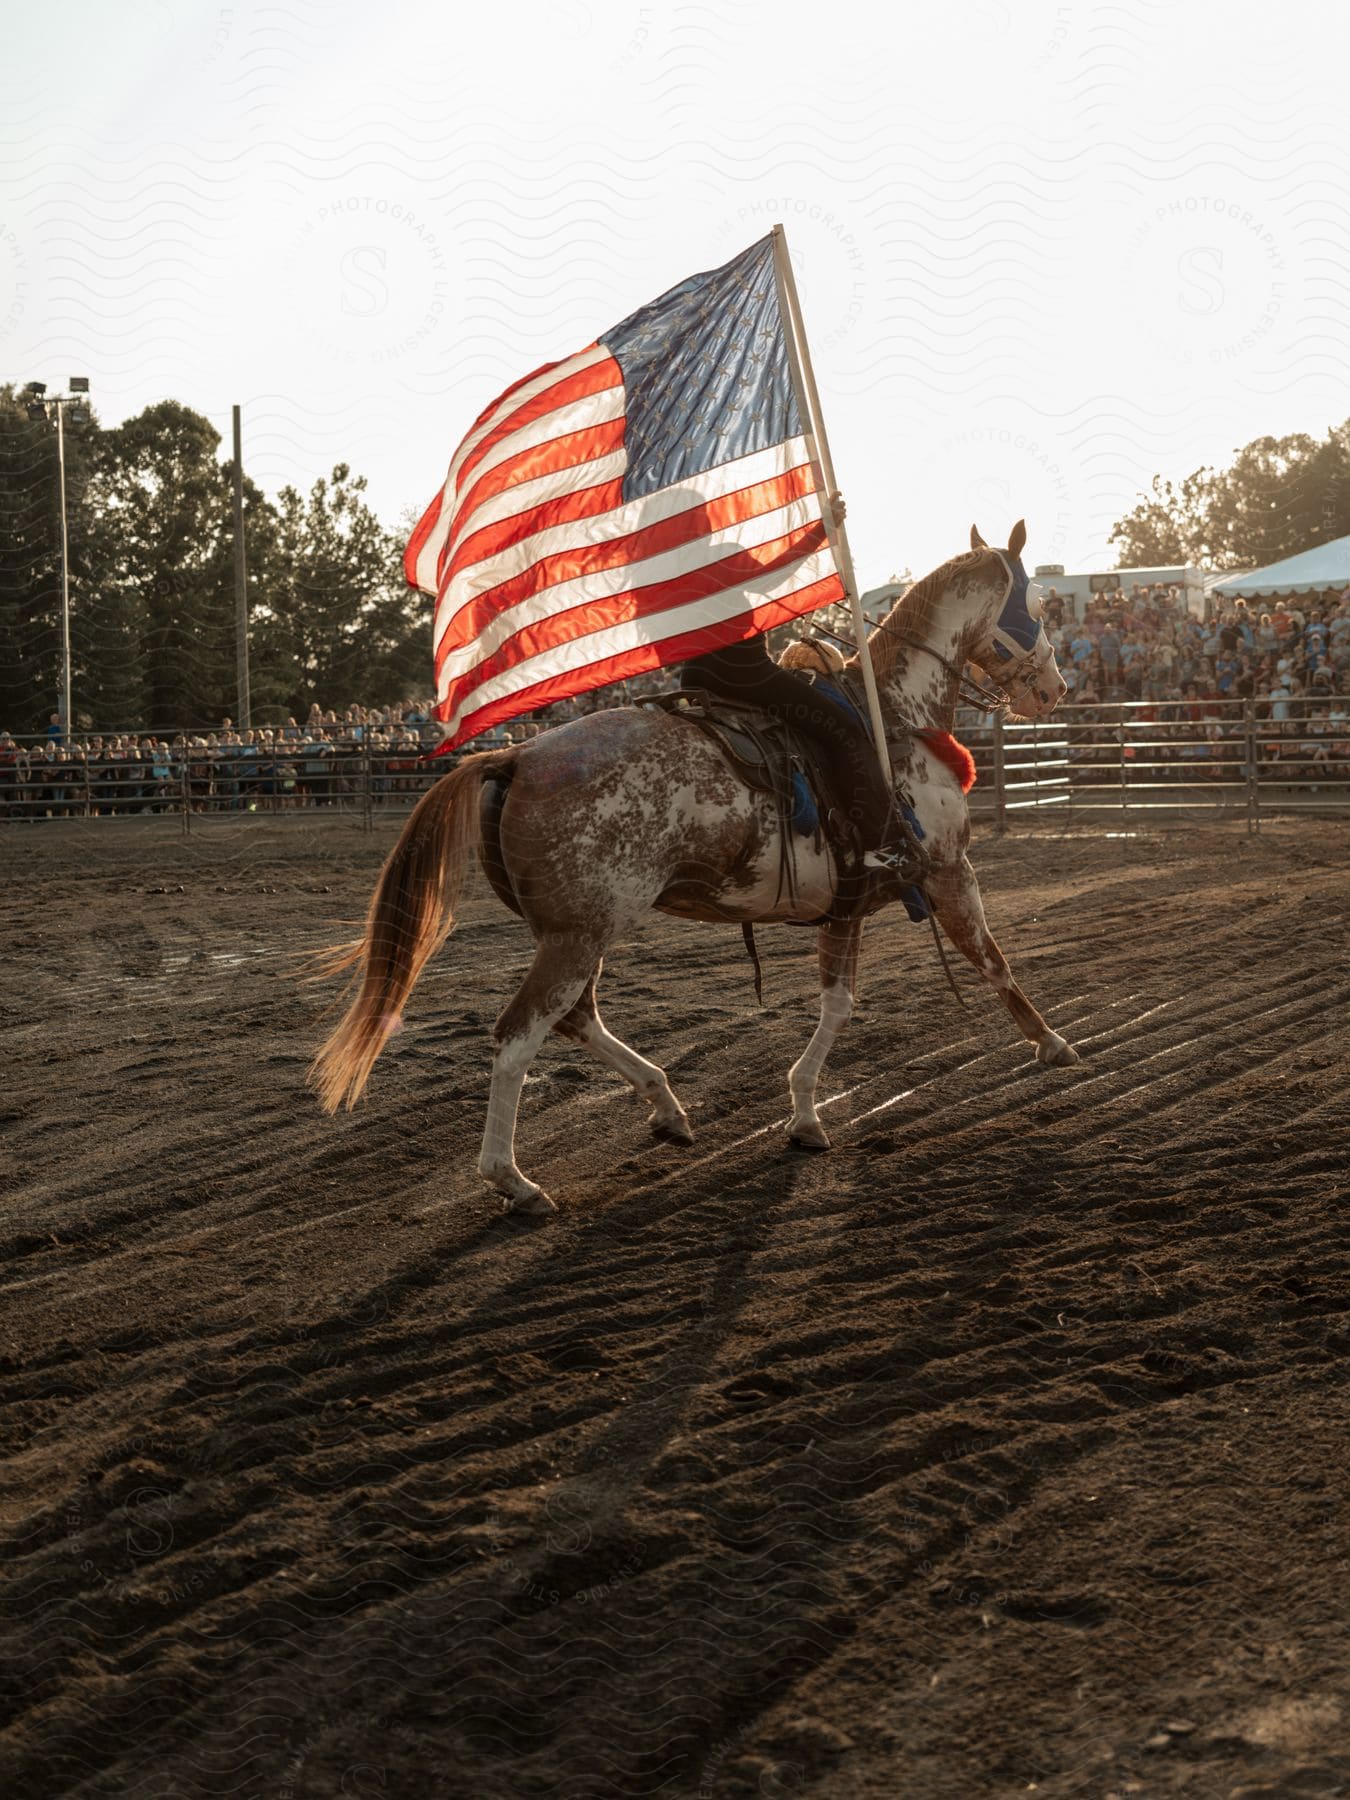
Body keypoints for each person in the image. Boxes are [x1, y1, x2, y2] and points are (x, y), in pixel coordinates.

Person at [678, 492, 910, 873]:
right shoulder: (723, 555)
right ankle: (883, 845)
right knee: (846, 731)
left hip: (695, 678)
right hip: (745, 675)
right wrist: (823, 528)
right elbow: (778, 574)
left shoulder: (664, 571)